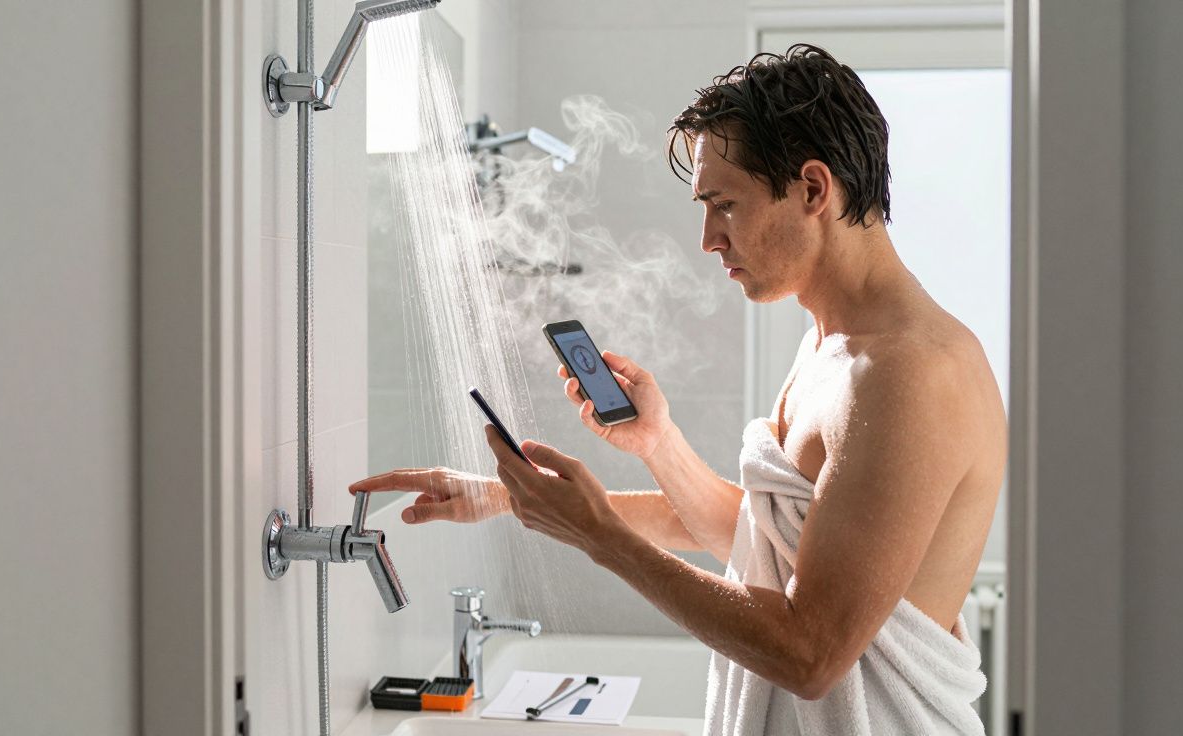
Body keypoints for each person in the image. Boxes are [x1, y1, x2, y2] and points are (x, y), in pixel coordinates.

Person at [352, 44, 1005, 735]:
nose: (707, 239)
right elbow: (755, 538)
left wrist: (601, 537)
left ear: (813, 190)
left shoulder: (912, 376)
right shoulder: (828, 345)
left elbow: (811, 655)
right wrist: (593, 466)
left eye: (724, 205)